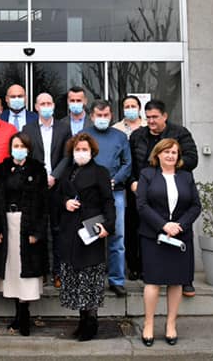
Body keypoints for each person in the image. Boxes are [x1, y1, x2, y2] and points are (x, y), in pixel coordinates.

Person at [136, 138, 201, 346]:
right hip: (154, 236)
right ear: (158, 154)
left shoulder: (186, 176)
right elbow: (142, 205)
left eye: (174, 152)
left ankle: (171, 324)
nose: (171, 155)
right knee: (153, 282)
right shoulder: (147, 174)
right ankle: (148, 324)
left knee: (176, 281)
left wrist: (179, 225)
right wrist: (164, 225)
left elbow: (195, 206)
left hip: (180, 236)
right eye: (167, 152)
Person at [129, 98, 199, 294]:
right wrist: (132, 181)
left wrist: (170, 165)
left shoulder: (180, 133)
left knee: (181, 232)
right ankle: (147, 272)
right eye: (148, 117)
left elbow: (192, 159)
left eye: (155, 117)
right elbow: (130, 162)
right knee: (148, 231)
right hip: (146, 189)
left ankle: (185, 279)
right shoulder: (137, 135)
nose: (151, 121)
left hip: (175, 187)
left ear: (165, 116)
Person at [56, 133, 115, 342]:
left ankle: (91, 322)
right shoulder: (67, 171)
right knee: (75, 278)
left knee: (90, 277)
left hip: (91, 227)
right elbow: (57, 195)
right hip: (70, 229)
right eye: (77, 149)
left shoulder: (100, 172)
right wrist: (65, 202)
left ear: (92, 152)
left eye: (84, 149)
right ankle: (82, 320)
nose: (81, 153)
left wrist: (108, 225)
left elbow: (108, 201)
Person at [0, 133, 48, 336]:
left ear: (28, 149)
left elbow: (43, 204)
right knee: (13, 269)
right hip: (8, 224)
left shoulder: (38, 170)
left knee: (27, 268)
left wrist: (37, 232)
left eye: (22, 146)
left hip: (28, 224)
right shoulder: (1, 170)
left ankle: (24, 314)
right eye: (15, 145)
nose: (19, 149)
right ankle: (17, 313)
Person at [80, 99, 131, 298]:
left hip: (115, 193)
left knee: (117, 237)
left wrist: (114, 180)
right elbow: (78, 161)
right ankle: (92, 279)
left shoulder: (120, 136)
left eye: (106, 115)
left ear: (111, 116)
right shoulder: (84, 136)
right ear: (92, 116)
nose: (102, 118)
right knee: (91, 236)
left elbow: (127, 163)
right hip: (91, 195)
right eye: (99, 115)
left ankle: (117, 280)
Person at [21, 92, 69, 286]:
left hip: (58, 186)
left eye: (49, 103)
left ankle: (58, 272)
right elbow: (27, 156)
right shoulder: (28, 129)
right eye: (43, 103)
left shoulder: (64, 128)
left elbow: (67, 156)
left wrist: (54, 176)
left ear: (54, 106)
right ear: (36, 107)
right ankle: (41, 271)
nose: (46, 106)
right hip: (36, 186)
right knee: (38, 230)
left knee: (58, 230)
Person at [49, 85, 90, 288]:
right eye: (71, 100)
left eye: (78, 100)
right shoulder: (61, 125)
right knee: (62, 229)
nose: (75, 104)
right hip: (64, 181)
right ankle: (62, 271)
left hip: (89, 179)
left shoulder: (93, 123)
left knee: (88, 224)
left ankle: (86, 270)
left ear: (85, 101)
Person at [114, 94, 145, 281]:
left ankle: (145, 264)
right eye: (127, 106)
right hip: (123, 184)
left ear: (139, 108)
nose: (130, 109)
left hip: (143, 182)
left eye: (133, 106)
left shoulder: (147, 126)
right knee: (129, 225)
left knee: (145, 223)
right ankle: (132, 266)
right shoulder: (116, 129)